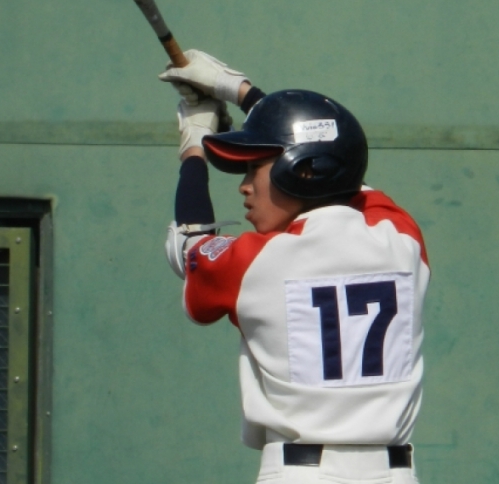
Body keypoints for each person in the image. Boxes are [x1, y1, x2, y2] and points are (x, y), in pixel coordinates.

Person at [161, 50, 430, 484]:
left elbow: (188, 243)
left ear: (299, 171)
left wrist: (194, 142)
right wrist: (242, 92)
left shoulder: (256, 261)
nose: (244, 186)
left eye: (254, 168)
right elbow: (342, 164)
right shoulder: (401, 240)